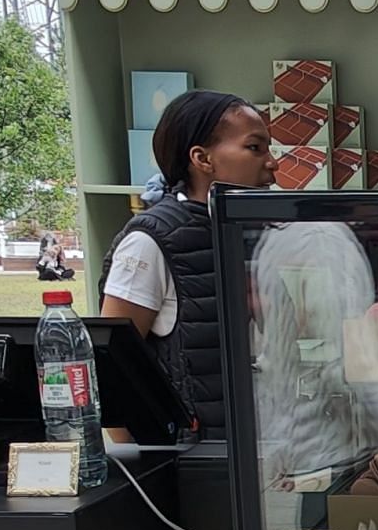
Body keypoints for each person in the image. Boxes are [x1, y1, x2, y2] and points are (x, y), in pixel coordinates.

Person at [100, 89, 273, 434]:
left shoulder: (252, 233)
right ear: (202, 158)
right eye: (255, 148)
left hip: (261, 455)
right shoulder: (149, 244)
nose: (272, 163)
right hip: (196, 463)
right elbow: (114, 370)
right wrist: (145, 467)